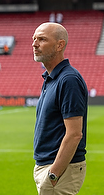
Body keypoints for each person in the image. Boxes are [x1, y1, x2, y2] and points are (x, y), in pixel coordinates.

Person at [32, 22, 88, 195]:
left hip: (60, 170)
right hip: (48, 167)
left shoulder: (68, 79)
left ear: (59, 45)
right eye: (34, 39)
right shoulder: (51, 78)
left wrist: (53, 175)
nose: (34, 44)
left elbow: (74, 133)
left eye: (42, 39)